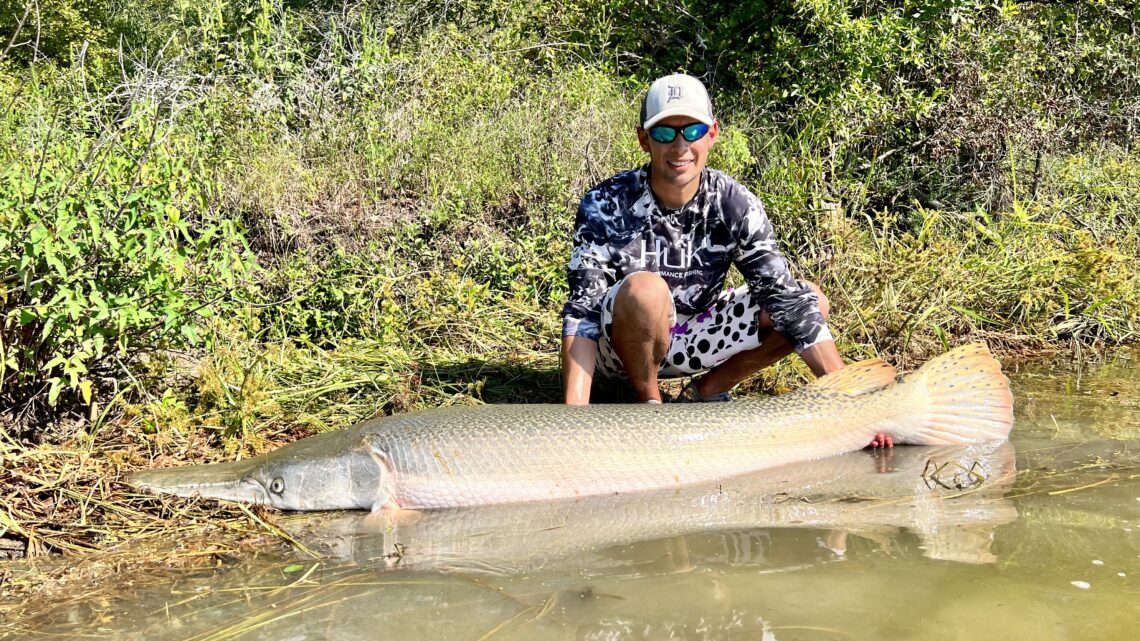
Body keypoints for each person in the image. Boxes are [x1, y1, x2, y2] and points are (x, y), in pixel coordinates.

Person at [560, 73, 892, 447]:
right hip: (618, 350)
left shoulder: (734, 203)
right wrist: (576, 419)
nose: (680, 146)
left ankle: (706, 391)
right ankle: (648, 405)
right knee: (646, 290)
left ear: (712, 134)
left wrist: (854, 408)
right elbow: (584, 312)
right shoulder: (605, 203)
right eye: (665, 133)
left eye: (693, 130)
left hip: (693, 336)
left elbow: (783, 300)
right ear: (644, 139)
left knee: (809, 299)